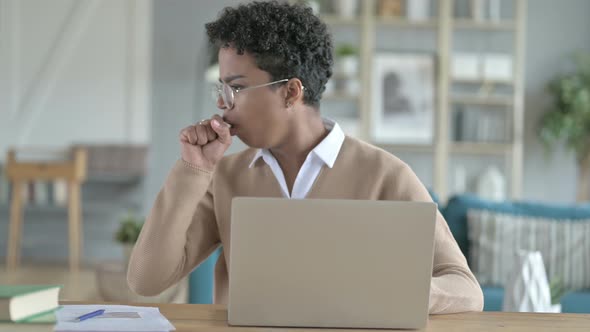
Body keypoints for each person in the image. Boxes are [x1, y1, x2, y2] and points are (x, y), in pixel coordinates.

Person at [127, 1, 483, 314]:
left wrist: (388, 293)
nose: (222, 103)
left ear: (291, 92)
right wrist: (193, 170)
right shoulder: (223, 177)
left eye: (235, 88)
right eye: (221, 88)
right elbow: (146, 280)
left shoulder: (386, 175)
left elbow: (465, 289)